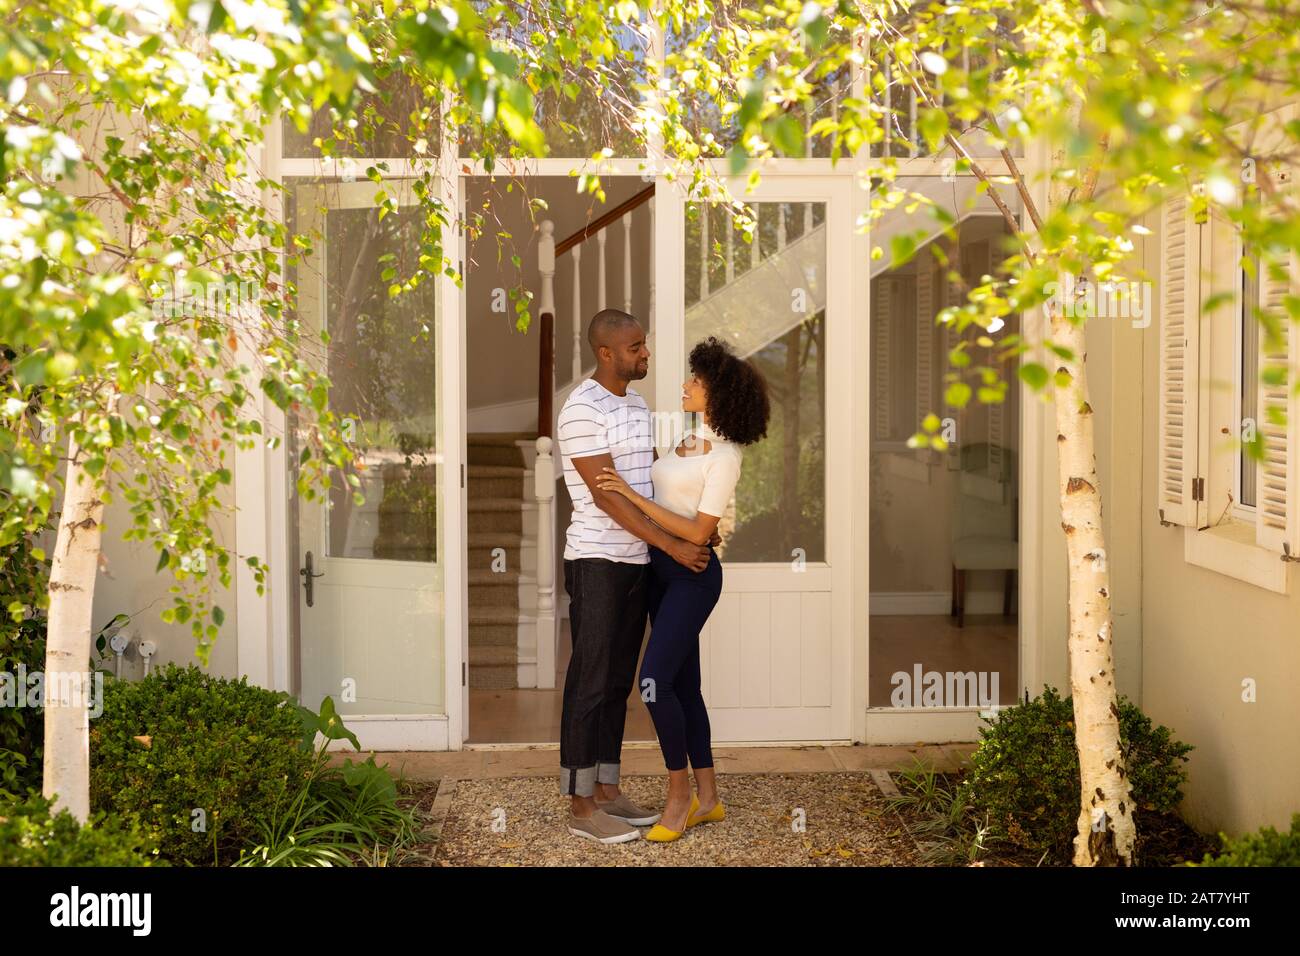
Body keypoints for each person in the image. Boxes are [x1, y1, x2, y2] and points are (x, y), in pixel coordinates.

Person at [595, 335, 771, 842]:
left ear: (717, 393)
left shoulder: (726, 456)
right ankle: (709, 799)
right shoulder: (685, 441)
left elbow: (697, 533)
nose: (686, 384)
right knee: (683, 686)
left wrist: (629, 494)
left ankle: (679, 797)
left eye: (696, 380)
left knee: (653, 683)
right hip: (659, 571)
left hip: (693, 574)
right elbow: (682, 508)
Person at [555, 308, 721, 845]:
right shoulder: (581, 408)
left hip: (638, 562)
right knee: (591, 679)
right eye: (635, 347)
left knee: (619, 681)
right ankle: (580, 805)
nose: (645, 354)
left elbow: (647, 483)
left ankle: (606, 788)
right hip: (598, 561)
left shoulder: (636, 402)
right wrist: (673, 542)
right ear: (606, 353)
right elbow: (608, 498)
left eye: (643, 344)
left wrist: (695, 529)